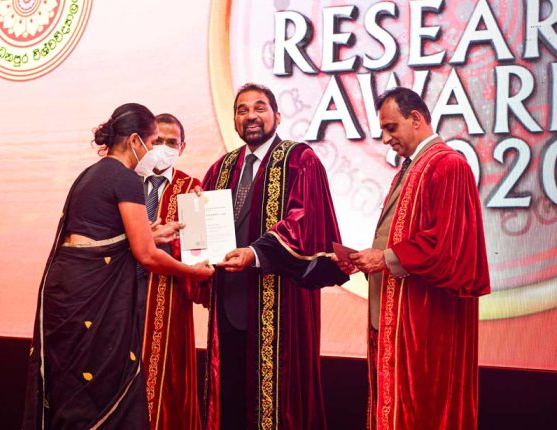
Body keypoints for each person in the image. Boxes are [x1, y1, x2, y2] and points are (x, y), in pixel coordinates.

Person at [22, 103, 214, 430]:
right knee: (99, 391)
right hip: (96, 300)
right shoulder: (126, 179)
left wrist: (153, 233)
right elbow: (146, 255)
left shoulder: (90, 173)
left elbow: (103, 235)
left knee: (71, 387)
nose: (154, 152)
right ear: (135, 141)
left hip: (70, 294)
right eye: (152, 142)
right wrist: (194, 272)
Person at [338, 87, 490, 429]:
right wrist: (365, 261)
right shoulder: (411, 168)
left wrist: (384, 259)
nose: (385, 139)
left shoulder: (448, 165)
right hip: (397, 314)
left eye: (391, 127)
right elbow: (401, 237)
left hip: (425, 322)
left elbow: (449, 245)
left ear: (417, 119)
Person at [199, 83, 349, 429]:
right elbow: (206, 233)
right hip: (228, 302)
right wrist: (194, 226)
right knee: (231, 396)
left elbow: (304, 223)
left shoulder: (299, 160)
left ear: (277, 116)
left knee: (279, 398)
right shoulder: (221, 168)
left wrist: (255, 253)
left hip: (280, 303)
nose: (250, 115)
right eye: (242, 110)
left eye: (259, 107)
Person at [136, 113, 208, 430]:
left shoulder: (192, 189)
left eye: (171, 142)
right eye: (158, 141)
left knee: (168, 380)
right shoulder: (126, 182)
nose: (164, 148)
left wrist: (173, 241)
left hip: (169, 297)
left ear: (182, 147)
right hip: (123, 295)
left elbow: (199, 253)